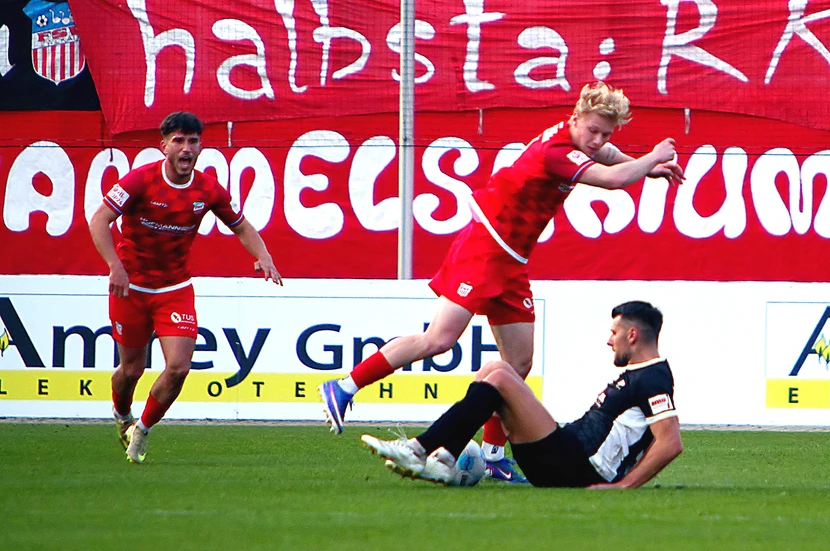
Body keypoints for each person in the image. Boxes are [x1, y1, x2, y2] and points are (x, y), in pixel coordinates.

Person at [318, 82, 685, 482]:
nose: (598, 141)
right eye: (593, 130)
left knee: (519, 363)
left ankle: (492, 453)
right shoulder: (556, 151)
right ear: (575, 119)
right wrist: (653, 157)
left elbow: (610, 157)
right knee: (439, 339)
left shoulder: (579, 141)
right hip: (485, 246)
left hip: (511, 260)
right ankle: (345, 385)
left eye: (605, 134)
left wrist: (644, 165)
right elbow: (613, 180)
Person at [89, 111, 283, 464]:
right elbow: (99, 219)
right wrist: (115, 267)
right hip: (130, 288)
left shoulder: (207, 188)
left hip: (174, 289)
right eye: (178, 140)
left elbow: (240, 226)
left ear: (200, 146)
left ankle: (142, 431)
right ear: (163, 146)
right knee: (131, 370)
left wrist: (264, 256)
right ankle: (122, 415)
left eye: (192, 141)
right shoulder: (139, 181)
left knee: (178, 367)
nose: (186, 148)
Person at [361, 300, 683, 488]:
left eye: (613, 333)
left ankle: (421, 448)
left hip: (574, 466)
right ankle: (443, 456)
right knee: (493, 370)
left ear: (633, 335)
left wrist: (625, 485)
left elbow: (670, 442)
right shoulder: (641, 375)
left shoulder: (653, 377)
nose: (609, 341)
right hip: (563, 455)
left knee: (501, 374)